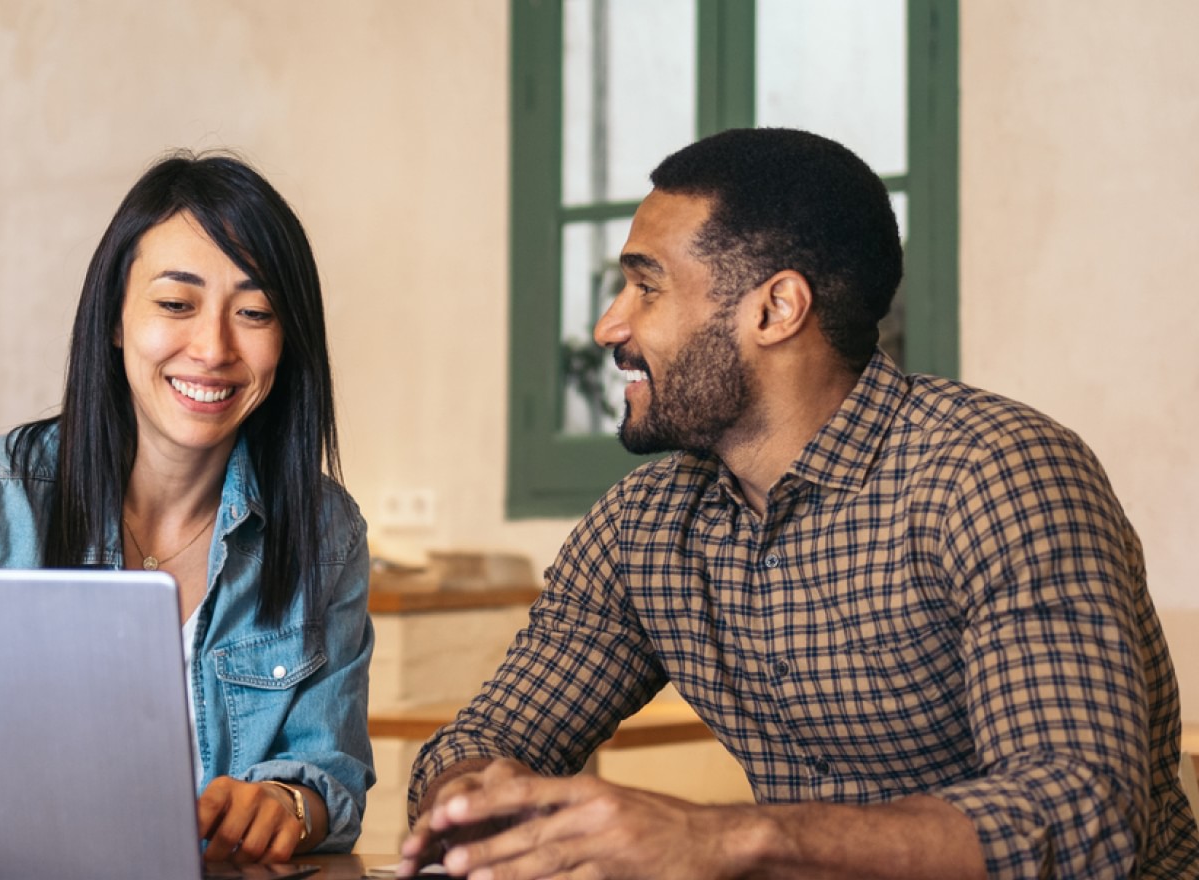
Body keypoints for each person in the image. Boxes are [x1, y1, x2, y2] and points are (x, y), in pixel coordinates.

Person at [400, 128, 1199, 879]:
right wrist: (472, 799)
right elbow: (485, 740)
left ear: (776, 309)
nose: (612, 324)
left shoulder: (993, 475)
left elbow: (1080, 815)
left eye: (647, 285)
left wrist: (719, 837)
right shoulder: (643, 524)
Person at [0, 151, 375, 866]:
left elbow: (332, 771)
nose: (212, 347)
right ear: (114, 318)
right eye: (176, 304)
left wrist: (289, 805)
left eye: (256, 312)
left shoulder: (326, 533)